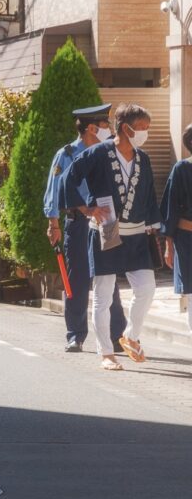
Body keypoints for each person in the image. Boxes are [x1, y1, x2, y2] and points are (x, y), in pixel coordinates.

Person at [64, 103, 162, 371]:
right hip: (106, 229)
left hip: (137, 232)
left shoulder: (143, 158)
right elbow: (69, 178)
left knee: (147, 288)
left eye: (146, 128)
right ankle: (106, 352)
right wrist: (87, 207)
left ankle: (130, 336)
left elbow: (150, 194)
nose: (145, 133)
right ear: (124, 128)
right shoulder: (97, 153)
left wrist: (155, 227)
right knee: (103, 294)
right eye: (141, 128)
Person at [44, 104, 126, 352]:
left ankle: (117, 335)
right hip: (78, 224)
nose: (109, 129)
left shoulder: (110, 152)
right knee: (78, 279)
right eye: (105, 125)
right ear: (91, 128)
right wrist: (53, 223)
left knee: (108, 276)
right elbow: (54, 188)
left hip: (106, 222)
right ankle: (76, 334)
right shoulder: (67, 154)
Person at [160, 124, 192, 331]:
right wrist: (168, 245)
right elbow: (169, 210)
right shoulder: (181, 169)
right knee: (191, 294)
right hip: (187, 239)